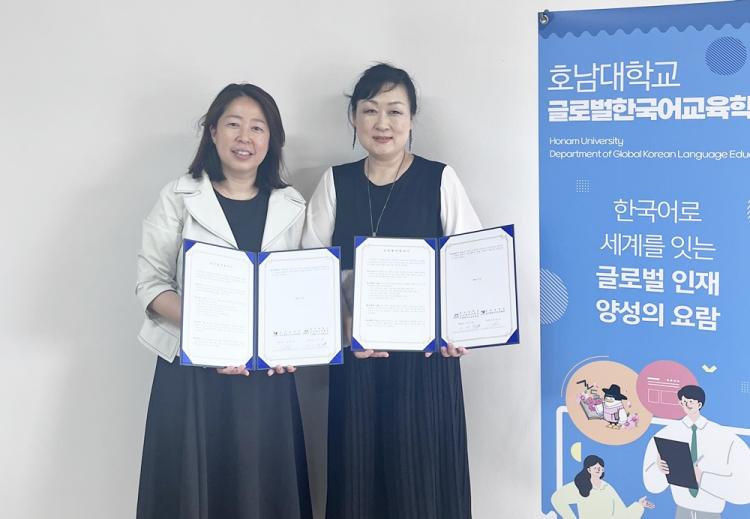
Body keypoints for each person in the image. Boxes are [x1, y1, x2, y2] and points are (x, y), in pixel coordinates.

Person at [303, 63, 481, 519]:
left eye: (395, 111)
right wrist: (346, 326)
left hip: (427, 364)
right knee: (358, 485)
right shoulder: (335, 182)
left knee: (425, 489)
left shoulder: (439, 179)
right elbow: (309, 272)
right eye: (370, 110)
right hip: (359, 360)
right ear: (354, 118)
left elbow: (472, 264)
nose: (382, 123)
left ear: (412, 119)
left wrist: (460, 326)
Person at [135, 83, 312, 519]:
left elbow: (307, 291)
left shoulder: (292, 205)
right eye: (233, 124)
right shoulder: (178, 196)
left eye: (258, 127)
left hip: (266, 377)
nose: (244, 137)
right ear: (213, 132)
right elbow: (151, 285)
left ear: (271, 140)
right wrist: (211, 328)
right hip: (191, 375)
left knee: (262, 493)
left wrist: (293, 343)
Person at [642, 384, 750, 518]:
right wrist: (659, 469)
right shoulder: (666, 434)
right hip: (682, 511)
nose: (686, 405)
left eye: (690, 401)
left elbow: (744, 489)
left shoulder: (725, 437)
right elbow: (652, 486)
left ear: (699, 404)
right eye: (683, 402)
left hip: (711, 513)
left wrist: (703, 479)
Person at [551, 455, 654, 519]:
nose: (598, 470)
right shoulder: (581, 485)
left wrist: (639, 505)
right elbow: (557, 499)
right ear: (588, 470)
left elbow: (622, 514)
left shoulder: (607, 488)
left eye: (600, 468)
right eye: (595, 468)